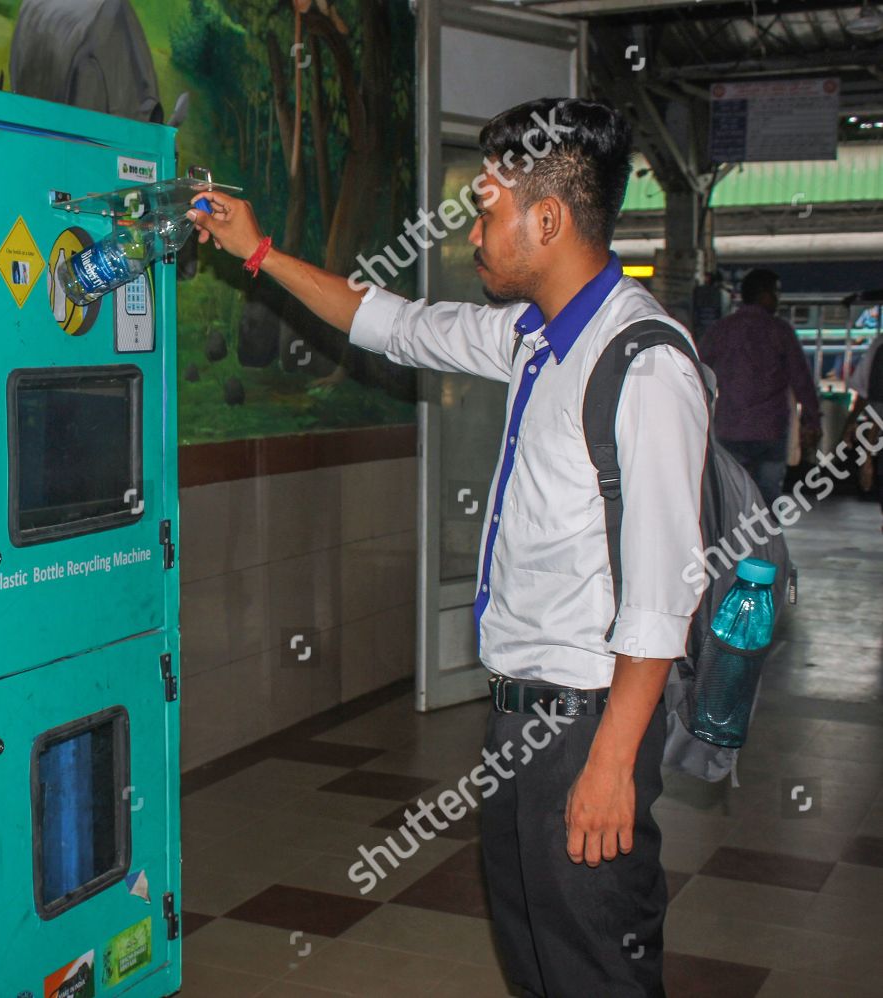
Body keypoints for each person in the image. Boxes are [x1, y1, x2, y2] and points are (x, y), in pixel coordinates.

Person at [189, 97, 706, 996]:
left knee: (595, 966)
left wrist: (612, 766)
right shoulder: (533, 338)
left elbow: (664, 592)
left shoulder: (643, 364)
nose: (476, 230)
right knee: (537, 956)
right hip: (521, 720)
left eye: (489, 209)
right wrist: (258, 254)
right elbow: (386, 321)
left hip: (585, 724)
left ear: (547, 220)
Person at [696, 268, 821, 506]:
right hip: (770, 432)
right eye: (776, 293)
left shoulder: (721, 330)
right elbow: (801, 379)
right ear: (764, 295)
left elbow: (697, 373)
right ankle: (764, 542)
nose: (777, 299)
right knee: (768, 499)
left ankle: (734, 543)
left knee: (732, 501)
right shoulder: (780, 331)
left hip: (730, 430)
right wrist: (813, 420)